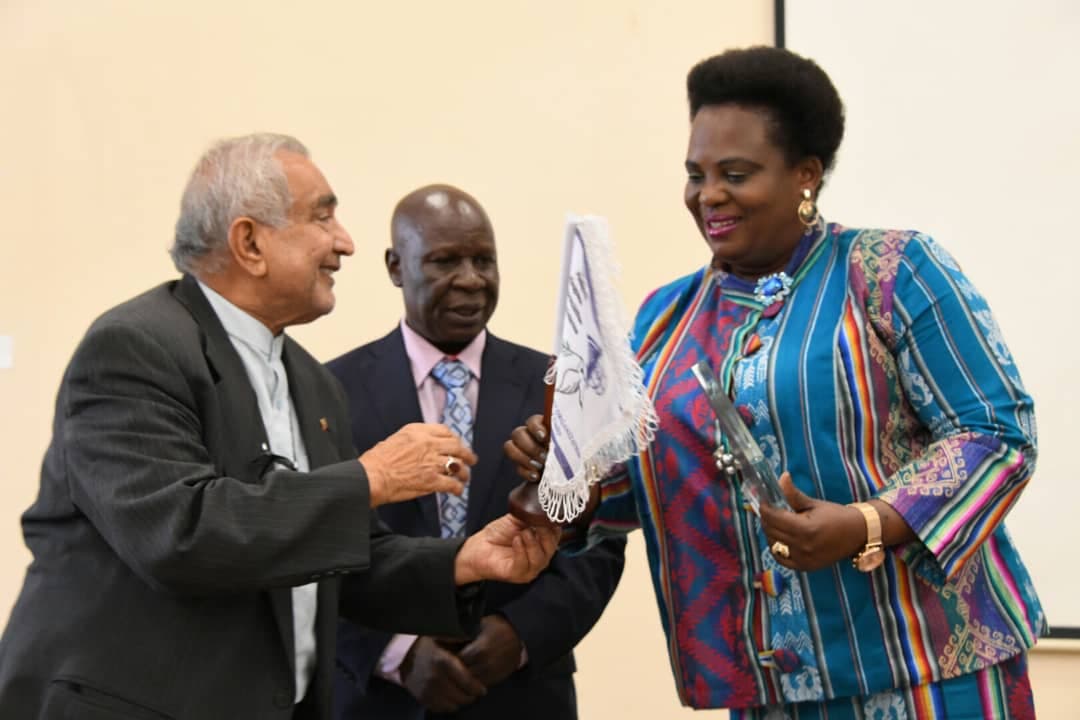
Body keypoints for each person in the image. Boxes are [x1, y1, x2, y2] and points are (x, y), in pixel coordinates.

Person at [506, 47, 1045, 719]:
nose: (708, 196)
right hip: (767, 692)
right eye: (695, 174)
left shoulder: (892, 271)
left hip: (932, 676)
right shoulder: (663, 318)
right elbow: (640, 491)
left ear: (806, 176)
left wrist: (866, 524)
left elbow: (995, 434)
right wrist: (571, 475)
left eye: (736, 173)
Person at [0, 134, 561, 720]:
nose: (344, 242)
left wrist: (465, 561)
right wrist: (372, 476)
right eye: (323, 216)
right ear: (249, 242)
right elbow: (180, 533)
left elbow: (345, 555)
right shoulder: (134, 348)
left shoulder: (310, 381)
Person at [326, 184, 625, 720]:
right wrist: (396, 654)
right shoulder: (329, 392)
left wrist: (521, 633)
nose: (471, 279)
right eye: (444, 261)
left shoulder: (557, 385)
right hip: (378, 702)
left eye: (483, 260)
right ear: (396, 267)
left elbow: (599, 541)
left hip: (523, 695)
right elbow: (313, 551)